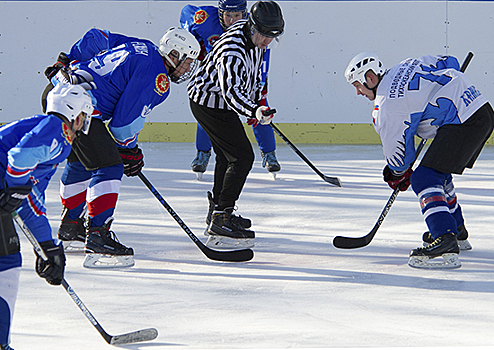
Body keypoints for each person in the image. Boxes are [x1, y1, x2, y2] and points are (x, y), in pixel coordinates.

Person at [42, 27, 200, 268]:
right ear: (174, 54)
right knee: (109, 167)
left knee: (82, 163)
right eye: (187, 61)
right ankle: (97, 237)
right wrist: (129, 150)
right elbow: (124, 124)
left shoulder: (144, 46)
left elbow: (95, 37)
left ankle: (71, 226)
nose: (188, 68)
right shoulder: (158, 77)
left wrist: (68, 60)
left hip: (58, 92)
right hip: (78, 107)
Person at [344, 52, 494, 269]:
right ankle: (456, 230)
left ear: (370, 78)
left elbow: (399, 158)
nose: (358, 91)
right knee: (437, 172)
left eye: (357, 85)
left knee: (424, 178)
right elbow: (449, 62)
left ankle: (445, 238)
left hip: (464, 121)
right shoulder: (404, 65)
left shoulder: (386, 105)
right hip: (481, 110)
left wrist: (397, 175)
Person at [0, 84, 93, 350]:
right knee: (5, 260)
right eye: (84, 117)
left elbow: (31, 197)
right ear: (75, 115)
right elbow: (19, 159)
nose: (83, 125)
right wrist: (14, 186)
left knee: (5, 257)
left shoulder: (45, 128)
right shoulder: (57, 131)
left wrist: (47, 246)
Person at [187, 0, 284, 248]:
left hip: (218, 102)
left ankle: (219, 213)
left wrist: (257, 102)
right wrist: (253, 109)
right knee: (242, 157)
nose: (266, 41)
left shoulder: (254, 36)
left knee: (227, 155)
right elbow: (231, 92)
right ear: (252, 26)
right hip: (208, 103)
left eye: (272, 36)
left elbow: (249, 77)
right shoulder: (232, 49)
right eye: (263, 34)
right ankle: (221, 217)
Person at [181, 0, 281, 180]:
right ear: (220, 14)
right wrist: (198, 48)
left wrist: (261, 94)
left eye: (237, 15)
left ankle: (269, 153)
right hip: (215, 78)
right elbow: (185, 14)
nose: (233, 20)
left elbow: (261, 64)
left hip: (242, 77)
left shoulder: (257, 27)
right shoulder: (204, 19)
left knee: (260, 110)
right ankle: (203, 152)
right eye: (228, 16)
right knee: (209, 110)